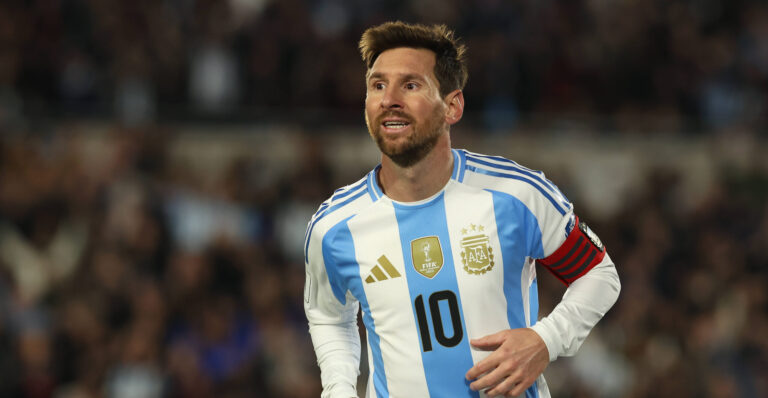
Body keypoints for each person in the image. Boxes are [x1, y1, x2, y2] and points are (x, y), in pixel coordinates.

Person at [303, 21, 620, 398]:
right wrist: (338, 388)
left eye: (410, 85)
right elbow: (329, 316)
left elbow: (598, 273)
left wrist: (546, 340)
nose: (389, 99)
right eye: (377, 85)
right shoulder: (335, 226)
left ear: (452, 106)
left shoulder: (516, 194)